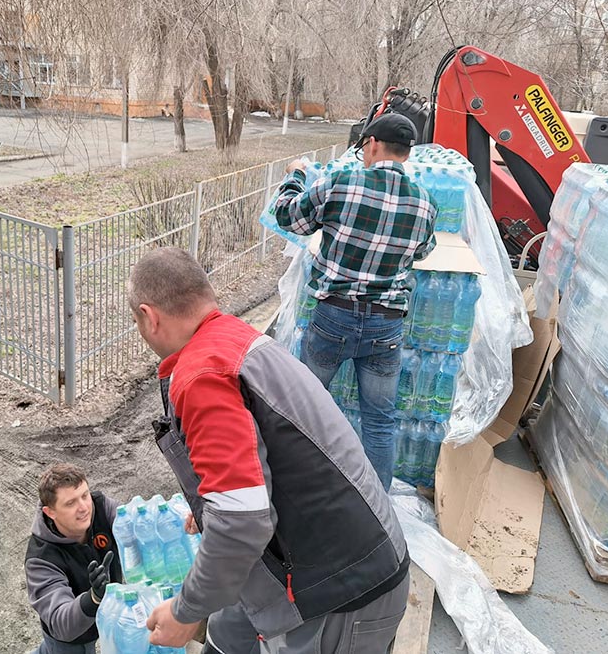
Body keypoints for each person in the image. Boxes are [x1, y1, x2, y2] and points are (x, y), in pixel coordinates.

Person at [129, 248, 410, 654]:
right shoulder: (235, 339)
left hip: (343, 593)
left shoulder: (201, 375)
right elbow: (254, 471)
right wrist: (213, 505)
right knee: (228, 633)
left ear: (149, 317)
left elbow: (243, 522)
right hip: (321, 559)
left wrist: (186, 612)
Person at [274, 114, 436, 491]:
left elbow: (288, 217)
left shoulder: (342, 183)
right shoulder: (424, 202)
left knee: (306, 410)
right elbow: (423, 251)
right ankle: (376, 508)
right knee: (379, 422)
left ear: (374, 143)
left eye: (365, 145)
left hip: (334, 317)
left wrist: (295, 175)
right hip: (386, 325)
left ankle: (298, 490)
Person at [25, 462, 123, 654]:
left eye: (84, 495)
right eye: (70, 503)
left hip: (109, 616)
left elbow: (134, 520)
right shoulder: (41, 559)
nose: (84, 508)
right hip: (71, 639)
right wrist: (94, 598)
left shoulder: (101, 507)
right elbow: (62, 624)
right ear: (50, 512)